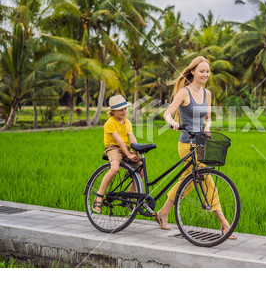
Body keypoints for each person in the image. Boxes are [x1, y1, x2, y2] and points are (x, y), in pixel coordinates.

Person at [158, 56, 236, 239]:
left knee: (188, 182)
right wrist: (172, 123)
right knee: (207, 179)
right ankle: (224, 225)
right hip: (187, 143)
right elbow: (167, 113)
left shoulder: (207, 93)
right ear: (192, 71)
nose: (205, 74)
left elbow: (207, 118)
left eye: (207, 71)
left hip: (201, 143)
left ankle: (162, 213)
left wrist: (207, 127)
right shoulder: (185, 92)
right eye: (201, 71)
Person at [92, 94, 142, 213]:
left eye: (125, 109)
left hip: (125, 148)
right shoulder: (110, 123)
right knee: (114, 169)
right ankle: (99, 195)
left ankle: (129, 195)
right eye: (120, 110)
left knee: (141, 168)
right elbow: (118, 140)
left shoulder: (127, 122)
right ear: (113, 111)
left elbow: (132, 138)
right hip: (113, 148)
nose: (124, 111)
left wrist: (136, 152)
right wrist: (128, 154)